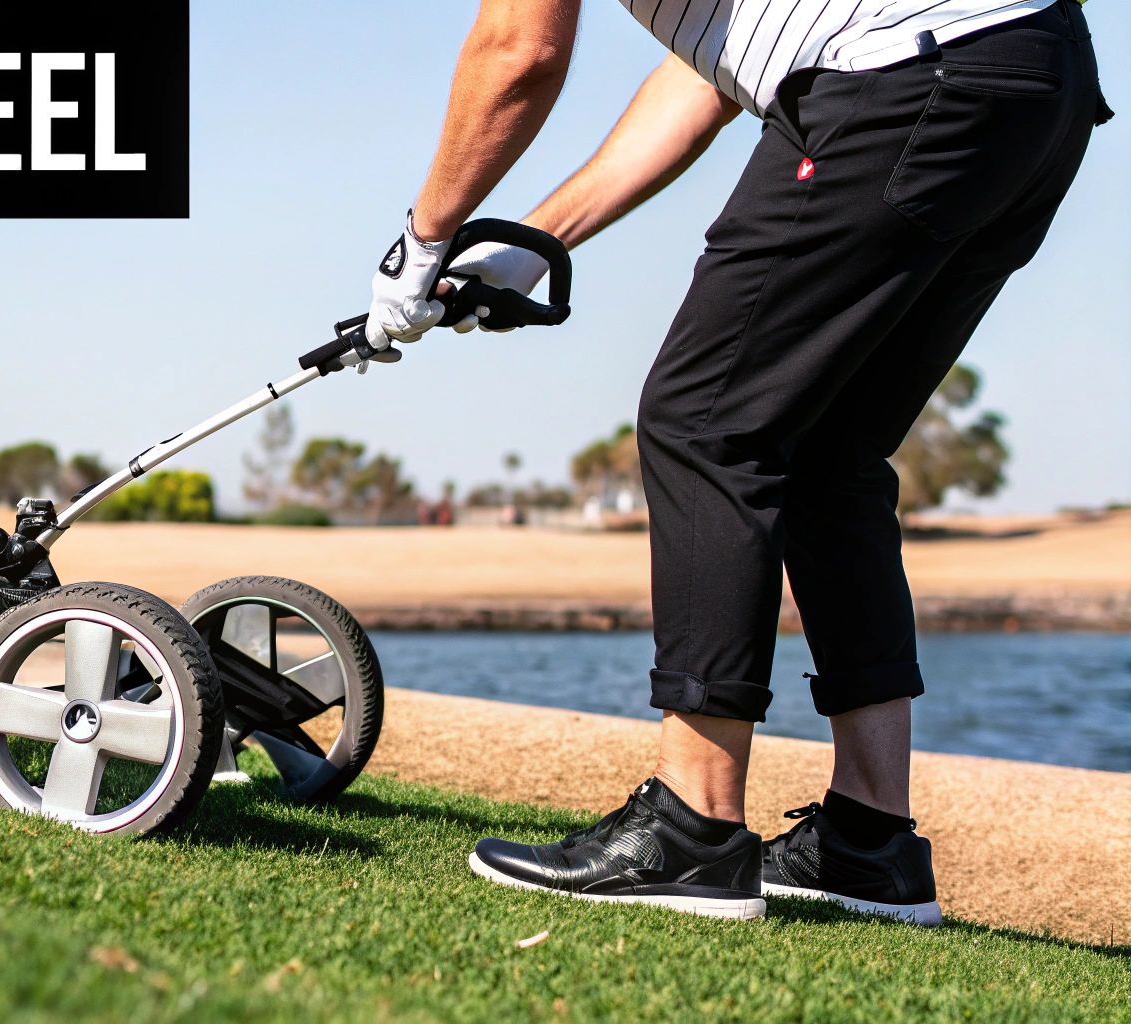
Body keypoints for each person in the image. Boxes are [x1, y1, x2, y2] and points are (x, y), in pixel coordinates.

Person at [363, 0, 1107, 922]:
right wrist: (532, 242)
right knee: (833, 451)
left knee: (704, 421)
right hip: (1035, 81)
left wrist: (424, 237)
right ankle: (868, 843)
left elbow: (519, 49)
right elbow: (707, 80)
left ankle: (692, 830)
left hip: (909, 77)